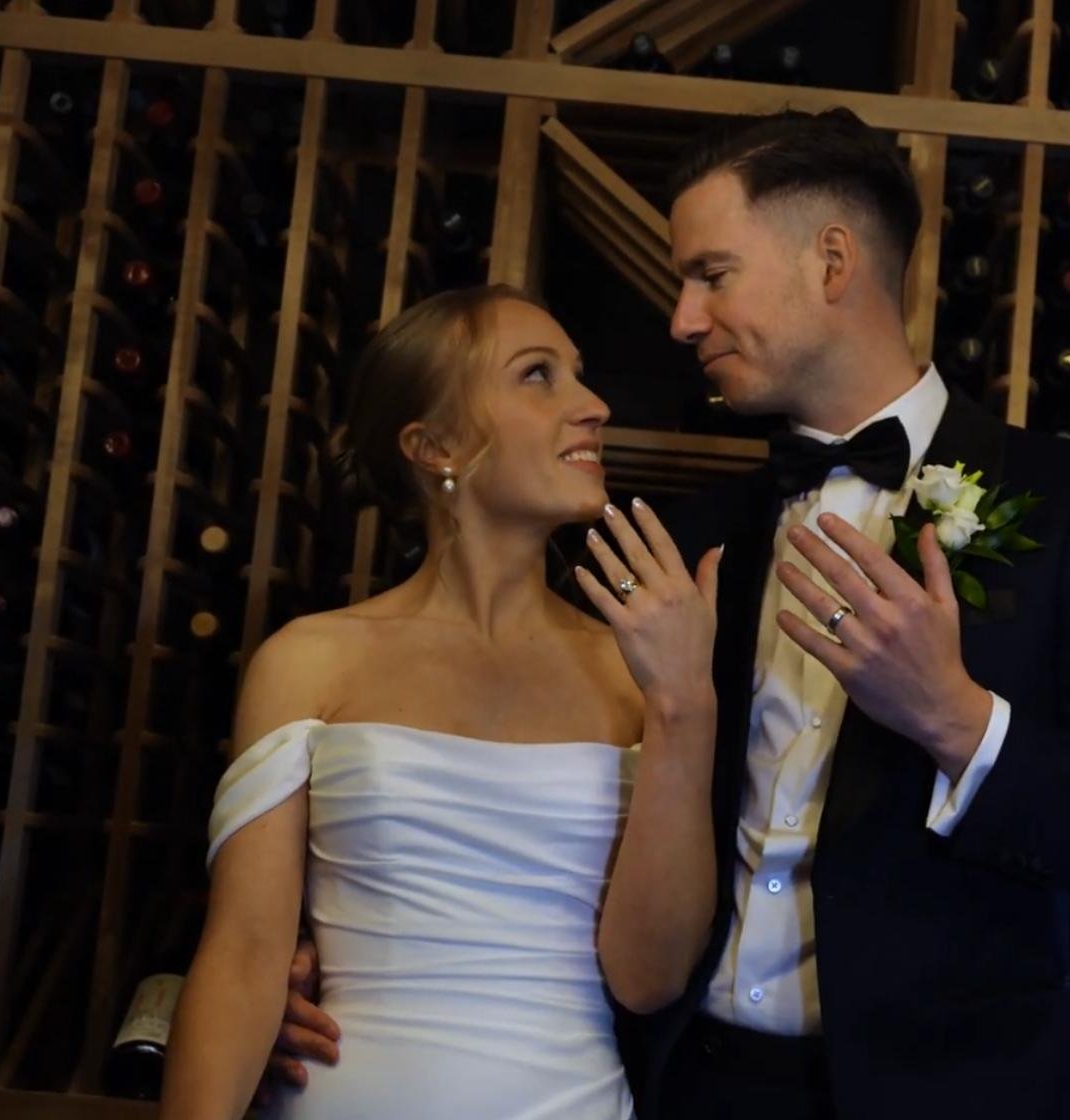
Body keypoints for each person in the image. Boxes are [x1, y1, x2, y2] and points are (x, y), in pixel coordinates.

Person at [269, 109, 1070, 1119]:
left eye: (711, 274)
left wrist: (957, 718)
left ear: (830, 261)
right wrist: (324, 956)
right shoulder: (686, 543)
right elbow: (528, 793)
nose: (682, 318)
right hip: (689, 1087)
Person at [159, 285, 724, 1120]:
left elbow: (649, 980)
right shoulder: (309, 661)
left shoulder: (634, 673)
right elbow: (243, 955)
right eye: (539, 376)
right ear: (433, 446)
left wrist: (685, 705)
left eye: (579, 375)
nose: (594, 406)